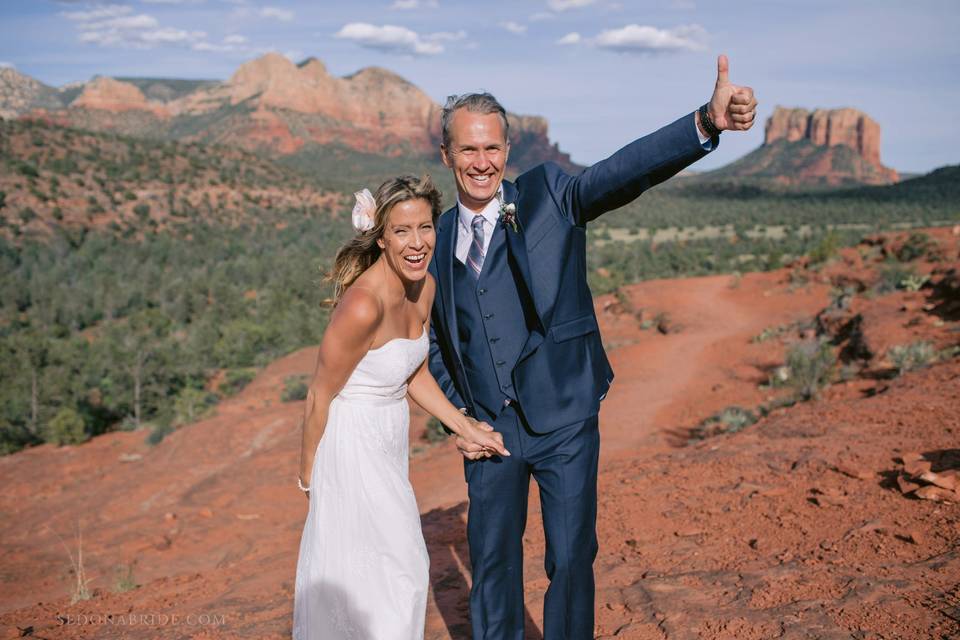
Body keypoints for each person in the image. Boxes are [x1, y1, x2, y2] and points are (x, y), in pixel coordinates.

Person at [426, 54, 758, 638]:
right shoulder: (437, 236)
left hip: (563, 418)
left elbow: (621, 172)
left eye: (492, 149)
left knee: (572, 561)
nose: (482, 163)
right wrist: (460, 418)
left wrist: (704, 122)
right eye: (469, 150)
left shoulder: (551, 196)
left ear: (508, 150)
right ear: (447, 154)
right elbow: (432, 338)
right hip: (487, 432)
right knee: (494, 565)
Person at [292, 175, 509, 639]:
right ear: (382, 237)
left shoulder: (424, 287)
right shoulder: (362, 306)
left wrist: (464, 426)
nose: (417, 243)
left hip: (388, 440)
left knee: (387, 573)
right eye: (402, 231)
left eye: (425, 228)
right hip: (350, 444)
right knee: (401, 569)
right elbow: (318, 394)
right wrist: (311, 477)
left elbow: (413, 372)